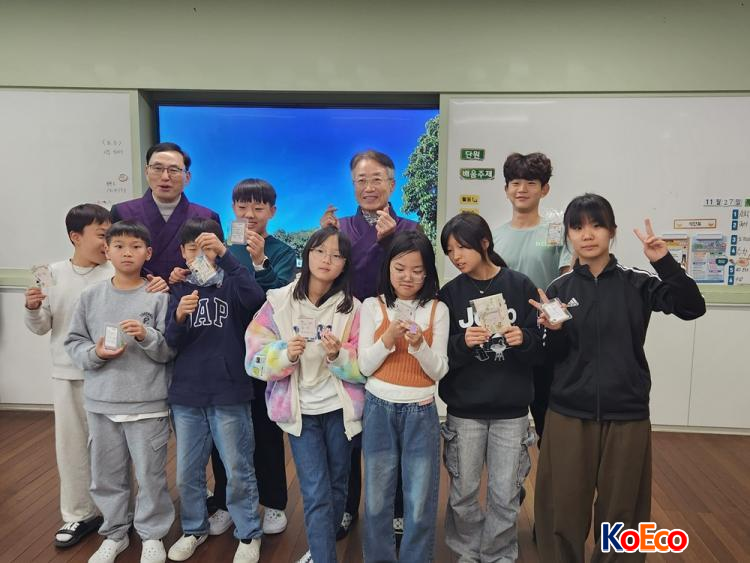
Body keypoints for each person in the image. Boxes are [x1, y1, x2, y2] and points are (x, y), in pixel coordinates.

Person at [532, 194, 706, 563]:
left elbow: (692, 307)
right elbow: (549, 359)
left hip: (627, 412)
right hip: (568, 413)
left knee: (623, 513)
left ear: (612, 231)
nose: (587, 234)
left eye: (596, 225)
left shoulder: (638, 282)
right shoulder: (559, 289)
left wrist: (664, 262)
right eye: (577, 227)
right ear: (567, 235)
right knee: (562, 508)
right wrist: (553, 331)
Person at [245, 226, 364, 563]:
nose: (327, 260)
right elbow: (253, 359)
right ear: (307, 253)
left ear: (345, 264)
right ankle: (324, 557)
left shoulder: (352, 309)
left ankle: (320, 549)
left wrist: (338, 355)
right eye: (320, 251)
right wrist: (285, 354)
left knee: (338, 485)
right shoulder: (279, 301)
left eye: (337, 255)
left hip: (340, 409)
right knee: (314, 490)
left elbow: (364, 368)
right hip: (300, 412)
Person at [320, 149, 419, 538]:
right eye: (360, 180)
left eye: (377, 179)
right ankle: (347, 507)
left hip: (395, 337)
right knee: (349, 429)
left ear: (392, 184)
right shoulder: (340, 226)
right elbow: (326, 278)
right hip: (349, 336)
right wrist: (325, 242)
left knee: (394, 430)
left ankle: (397, 508)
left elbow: (415, 278)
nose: (368, 187)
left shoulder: (410, 227)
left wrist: (391, 241)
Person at [64, 220, 176, 563]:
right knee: (106, 475)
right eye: (119, 246)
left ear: (148, 253)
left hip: (148, 403)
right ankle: (115, 533)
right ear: (107, 251)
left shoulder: (159, 296)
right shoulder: (90, 297)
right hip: (102, 403)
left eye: (136, 246)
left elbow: (170, 351)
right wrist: (96, 353)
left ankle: (152, 534)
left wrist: (146, 336)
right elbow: (74, 343)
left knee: (150, 475)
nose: (128, 253)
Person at [438, 212, 541, 562]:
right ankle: (468, 552)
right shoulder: (450, 294)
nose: (456, 257)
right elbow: (440, 354)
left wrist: (524, 338)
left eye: (462, 247)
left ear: (484, 243)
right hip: (464, 411)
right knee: (463, 491)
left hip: (512, 411)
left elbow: (540, 348)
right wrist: (462, 342)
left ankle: (498, 554)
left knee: (505, 493)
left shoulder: (520, 286)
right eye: (449, 251)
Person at [164, 218, 265, 563]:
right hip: (187, 395)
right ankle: (194, 528)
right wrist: (179, 317)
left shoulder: (233, 282)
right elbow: (170, 341)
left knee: (238, 468)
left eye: (207, 249)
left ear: (219, 249)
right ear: (182, 252)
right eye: (193, 249)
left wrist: (226, 256)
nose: (200, 256)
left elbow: (256, 299)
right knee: (187, 471)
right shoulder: (179, 288)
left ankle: (248, 533)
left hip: (229, 391)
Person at [200, 179, 296, 536]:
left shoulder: (283, 252)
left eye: (258, 207)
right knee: (223, 435)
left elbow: (278, 298)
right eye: (242, 207)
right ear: (233, 209)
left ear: (272, 211)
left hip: (263, 355)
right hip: (224, 354)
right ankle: (226, 501)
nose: (250, 214)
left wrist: (260, 262)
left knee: (265, 431)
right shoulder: (221, 249)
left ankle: (273, 503)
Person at [358, 230, 449, 562]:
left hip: (421, 410)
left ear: (427, 274)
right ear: (388, 268)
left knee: (420, 499)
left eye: (417, 270)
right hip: (378, 408)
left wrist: (419, 345)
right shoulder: (372, 306)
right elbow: (364, 366)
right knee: (377, 498)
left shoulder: (437, 309)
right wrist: (387, 339)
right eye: (400, 268)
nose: (407, 276)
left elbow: (439, 370)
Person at [492, 152, 572, 441]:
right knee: (505, 418)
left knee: (546, 414)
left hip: (545, 333)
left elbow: (567, 281)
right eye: (515, 183)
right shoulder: (494, 237)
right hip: (505, 335)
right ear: (506, 189)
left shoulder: (558, 232)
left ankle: (552, 468)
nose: (522, 189)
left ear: (544, 189)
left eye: (531, 183)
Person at [111, 142, 221, 280]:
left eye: (173, 170)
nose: (165, 177)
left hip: (190, 291)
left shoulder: (207, 217)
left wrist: (188, 277)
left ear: (187, 177)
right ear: (146, 172)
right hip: (138, 289)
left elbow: (216, 265)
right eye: (157, 168)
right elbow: (112, 260)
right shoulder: (122, 212)